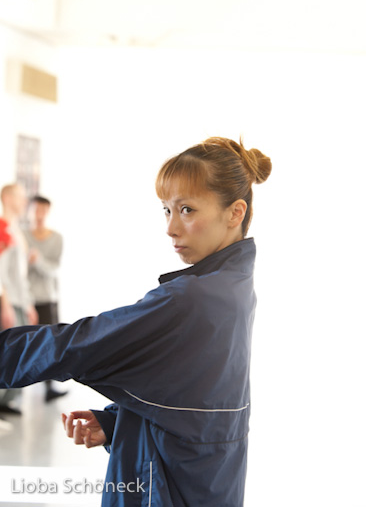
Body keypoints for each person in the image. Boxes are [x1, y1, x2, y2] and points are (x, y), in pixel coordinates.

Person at [0, 137, 271, 506]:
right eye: (167, 210)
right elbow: (200, 394)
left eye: (187, 209)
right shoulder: (235, 285)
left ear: (235, 212)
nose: (171, 228)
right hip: (207, 479)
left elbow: (80, 344)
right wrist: (117, 423)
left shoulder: (192, 298)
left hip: (168, 486)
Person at [24, 195, 67, 402]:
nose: (39, 214)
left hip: (47, 298)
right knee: (24, 342)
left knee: (51, 343)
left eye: (43, 210)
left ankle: (49, 387)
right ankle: (15, 391)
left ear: (48, 212)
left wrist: (37, 259)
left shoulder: (56, 238)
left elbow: (53, 269)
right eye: (35, 210)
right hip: (25, 299)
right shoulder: (21, 236)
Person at [0, 184, 38, 416]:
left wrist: (28, 304)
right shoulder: (2, 227)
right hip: (6, 301)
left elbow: (19, 272)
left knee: (18, 353)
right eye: (20, 197)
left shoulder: (16, 230)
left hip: (19, 300)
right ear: (6, 197)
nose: (25, 202)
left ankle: (6, 401)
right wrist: (5, 303)